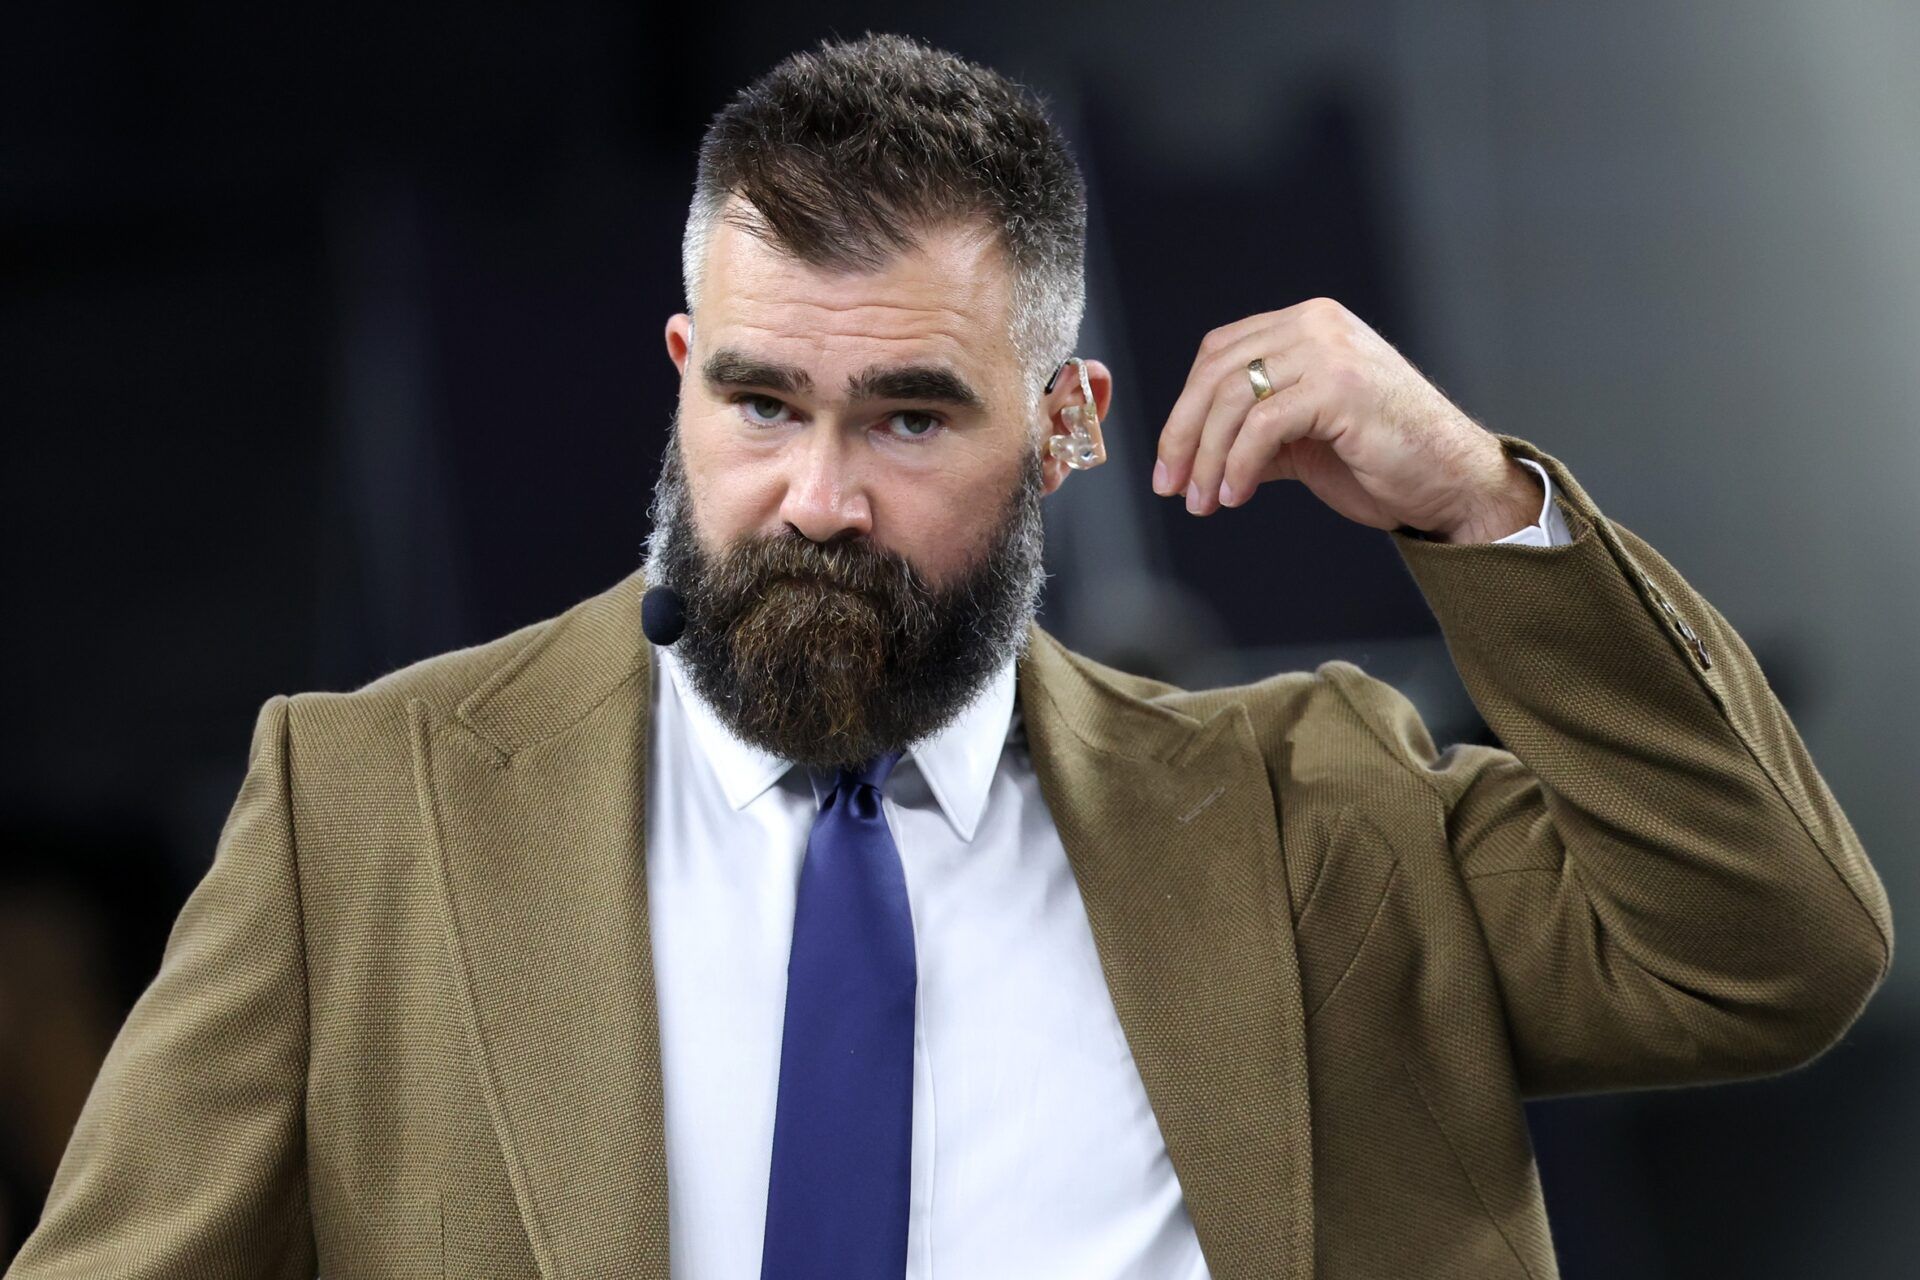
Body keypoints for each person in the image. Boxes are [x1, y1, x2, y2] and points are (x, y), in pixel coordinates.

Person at [7, 32, 1892, 1280]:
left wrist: (1480, 508)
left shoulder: (1316, 812)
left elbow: (1773, 950)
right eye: (761, 403)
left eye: (911, 419)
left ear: (1067, 422)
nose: (816, 495)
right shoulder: (366, 811)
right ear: (686, 378)